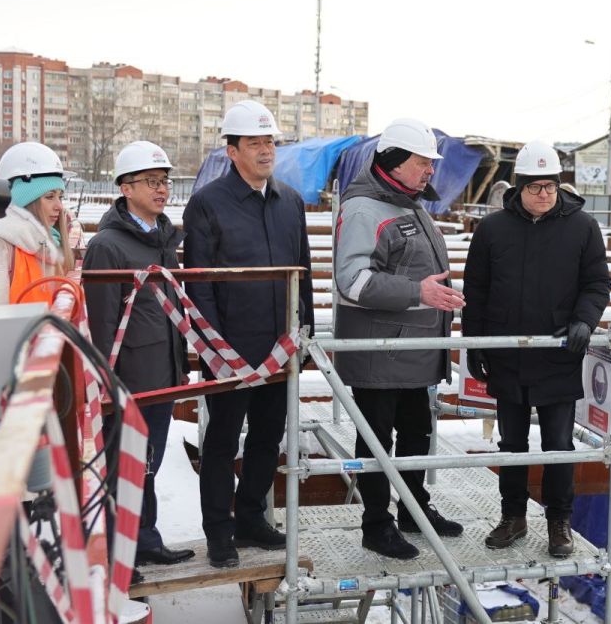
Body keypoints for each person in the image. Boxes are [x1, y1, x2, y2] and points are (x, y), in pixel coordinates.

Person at [462, 140, 610, 558]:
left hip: (558, 355)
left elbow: (597, 283)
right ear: (519, 187)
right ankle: (513, 516)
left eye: (550, 186)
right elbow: (477, 289)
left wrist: (584, 320)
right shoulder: (493, 230)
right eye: (535, 186)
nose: (544, 194)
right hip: (507, 356)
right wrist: (476, 345)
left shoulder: (582, 228)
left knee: (559, 445)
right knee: (511, 444)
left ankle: (559, 523)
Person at [183, 100, 314, 569]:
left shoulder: (290, 202)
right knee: (221, 441)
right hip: (229, 352)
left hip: (278, 348)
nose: (266, 151)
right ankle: (219, 530)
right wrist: (216, 349)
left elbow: (302, 270)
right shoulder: (207, 204)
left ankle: (251, 517)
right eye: (255, 143)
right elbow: (198, 281)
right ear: (232, 150)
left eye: (270, 142)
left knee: (267, 436)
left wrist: (304, 332)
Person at [334, 117, 465, 560]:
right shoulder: (365, 209)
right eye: (423, 161)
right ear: (393, 161)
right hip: (379, 353)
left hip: (412, 350)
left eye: (432, 162)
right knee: (375, 440)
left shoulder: (409, 204)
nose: (431, 170)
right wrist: (418, 292)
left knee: (415, 432)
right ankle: (376, 523)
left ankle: (413, 510)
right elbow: (351, 280)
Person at [82, 141, 194, 569]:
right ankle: (117, 558)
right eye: (151, 181)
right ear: (126, 188)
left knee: (147, 466)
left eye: (164, 181)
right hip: (129, 381)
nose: (162, 189)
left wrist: (178, 368)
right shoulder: (108, 247)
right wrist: (110, 386)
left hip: (161, 376)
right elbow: (103, 326)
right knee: (124, 468)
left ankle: (144, 539)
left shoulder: (163, 239)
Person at [0, 142, 74, 305]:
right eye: (49, 196)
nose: (59, 206)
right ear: (23, 200)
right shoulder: (1, 246)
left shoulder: (48, 245)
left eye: (60, 197)